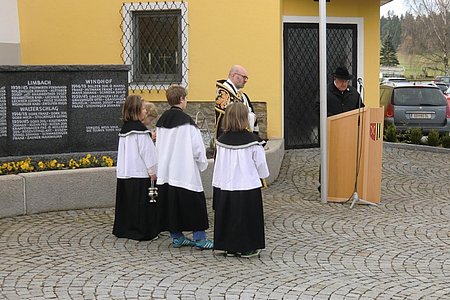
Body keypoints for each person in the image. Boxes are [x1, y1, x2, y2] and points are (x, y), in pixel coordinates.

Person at [155, 85, 213, 250]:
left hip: (167, 170)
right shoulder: (187, 122)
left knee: (171, 204)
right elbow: (197, 148)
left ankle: (177, 237)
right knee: (194, 203)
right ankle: (200, 238)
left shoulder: (161, 121)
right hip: (185, 169)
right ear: (181, 99)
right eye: (186, 98)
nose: (186, 101)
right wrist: (202, 162)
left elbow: (158, 145)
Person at [212, 102, 269, 258]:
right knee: (246, 217)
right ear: (245, 119)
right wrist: (263, 175)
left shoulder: (221, 141)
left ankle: (229, 246)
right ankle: (247, 247)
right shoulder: (254, 142)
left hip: (226, 185)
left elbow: (218, 164)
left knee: (229, 215)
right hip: (247, 186)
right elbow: (261, 166)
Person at [113, 95, 160, 241]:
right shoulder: (140, 131)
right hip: (139, 173)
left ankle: (125, 229)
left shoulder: (125, 129)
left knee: (128, 204)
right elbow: (147, 153)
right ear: (136, 111)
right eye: (143, 109)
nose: (145, 112)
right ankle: (142, 231)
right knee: (140, 206)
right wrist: (153, 171)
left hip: (125, 173)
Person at [315, 66, 364, 192]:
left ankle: (345, 183)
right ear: (335, 79)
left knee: (347, 157)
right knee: (329, 157)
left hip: (349, 132)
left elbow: (361, 109)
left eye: (346, 81)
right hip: (331, 131)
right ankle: (326, 185)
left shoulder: (353, 93)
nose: (344, 83)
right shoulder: (325, 91)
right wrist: (332, 119)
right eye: (341, 81)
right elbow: (317, 109)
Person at [214, 64, 259, 140]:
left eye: (246, 78)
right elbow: (232, 118)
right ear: (234, 75)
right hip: (229, 140)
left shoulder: (241, 95)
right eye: (244, 77)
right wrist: (251, 118)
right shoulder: (224, 93)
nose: (246, 80)